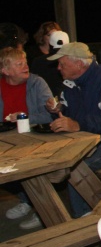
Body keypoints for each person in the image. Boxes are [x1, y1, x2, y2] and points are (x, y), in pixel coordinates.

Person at [45, 42, 101, 217]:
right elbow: (69, 114)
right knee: (53, 161)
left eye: (62, 64)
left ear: (78, 64)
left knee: (74, 168)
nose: (58, 68)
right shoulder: (70, 82)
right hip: (84, 141)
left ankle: (85, 218)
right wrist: (58, 111)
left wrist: (78, 125)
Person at [1, 47, 54, 230]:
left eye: (25, 62)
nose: (26, 66)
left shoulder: (37, 83)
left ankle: (42, 210)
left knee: (33, 168)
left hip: (35, 137)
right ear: (6, 70)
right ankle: (27, 201)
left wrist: (25, 117)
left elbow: (49, 115)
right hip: (6, 139)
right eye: (19, 64)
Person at [30, 30, 69, 96]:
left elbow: (32, 84)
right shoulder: (72, 60)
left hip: (45, 100)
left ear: (50, 44)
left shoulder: (38, 61)